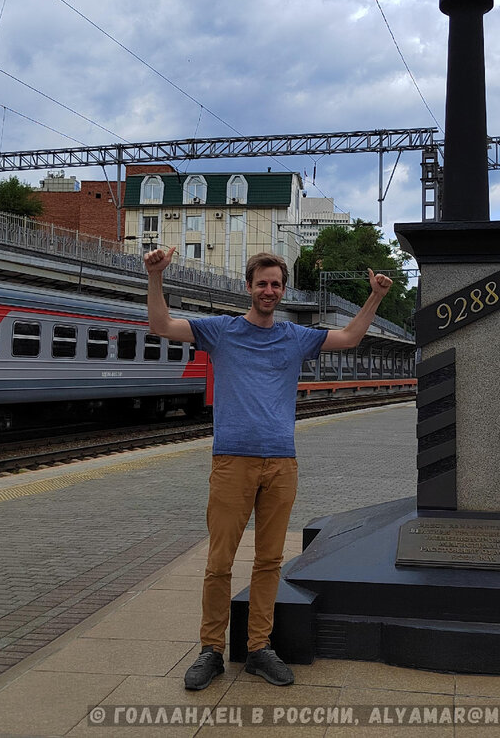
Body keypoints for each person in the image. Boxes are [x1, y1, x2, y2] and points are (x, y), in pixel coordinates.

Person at [142, 247, 393, 690]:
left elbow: (350, 337)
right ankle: (210, 650)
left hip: (281, 463)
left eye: (277, 284)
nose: (270, 291)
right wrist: (157, 277)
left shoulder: (296, 336)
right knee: (219, 562)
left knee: (270, 560)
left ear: (282, 290)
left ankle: (259, 648)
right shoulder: (220, 331)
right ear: (249, 287)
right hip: (232, 461)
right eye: (262, 283)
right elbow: (161, 325)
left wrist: (374, 297)